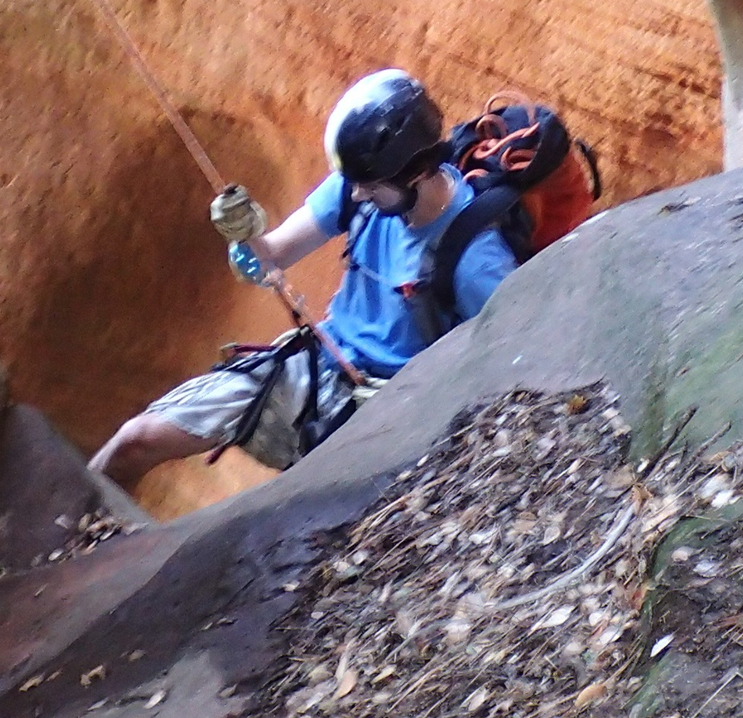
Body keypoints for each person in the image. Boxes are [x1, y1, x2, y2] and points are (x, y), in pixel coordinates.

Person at [90, 70, 520, 492]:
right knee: (135, 441)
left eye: (368, 186)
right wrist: (245, 236)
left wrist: (416, 403)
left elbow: (504, 369)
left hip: (390, 415)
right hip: (316, 367)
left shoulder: (474, 259)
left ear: (416, 172)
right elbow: (267, 260)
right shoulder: (363, 187)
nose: (354, 196)